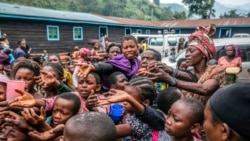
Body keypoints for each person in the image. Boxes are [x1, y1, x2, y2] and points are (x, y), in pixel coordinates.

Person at [144, 24, 225, 104]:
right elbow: (187, 76)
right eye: (187, 51)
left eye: (191, 51)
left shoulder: (216, 70)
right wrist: (165, 68)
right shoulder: (190, 73)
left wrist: (169, 79)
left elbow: (205, 89)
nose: (187, 54)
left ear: (204, 54)